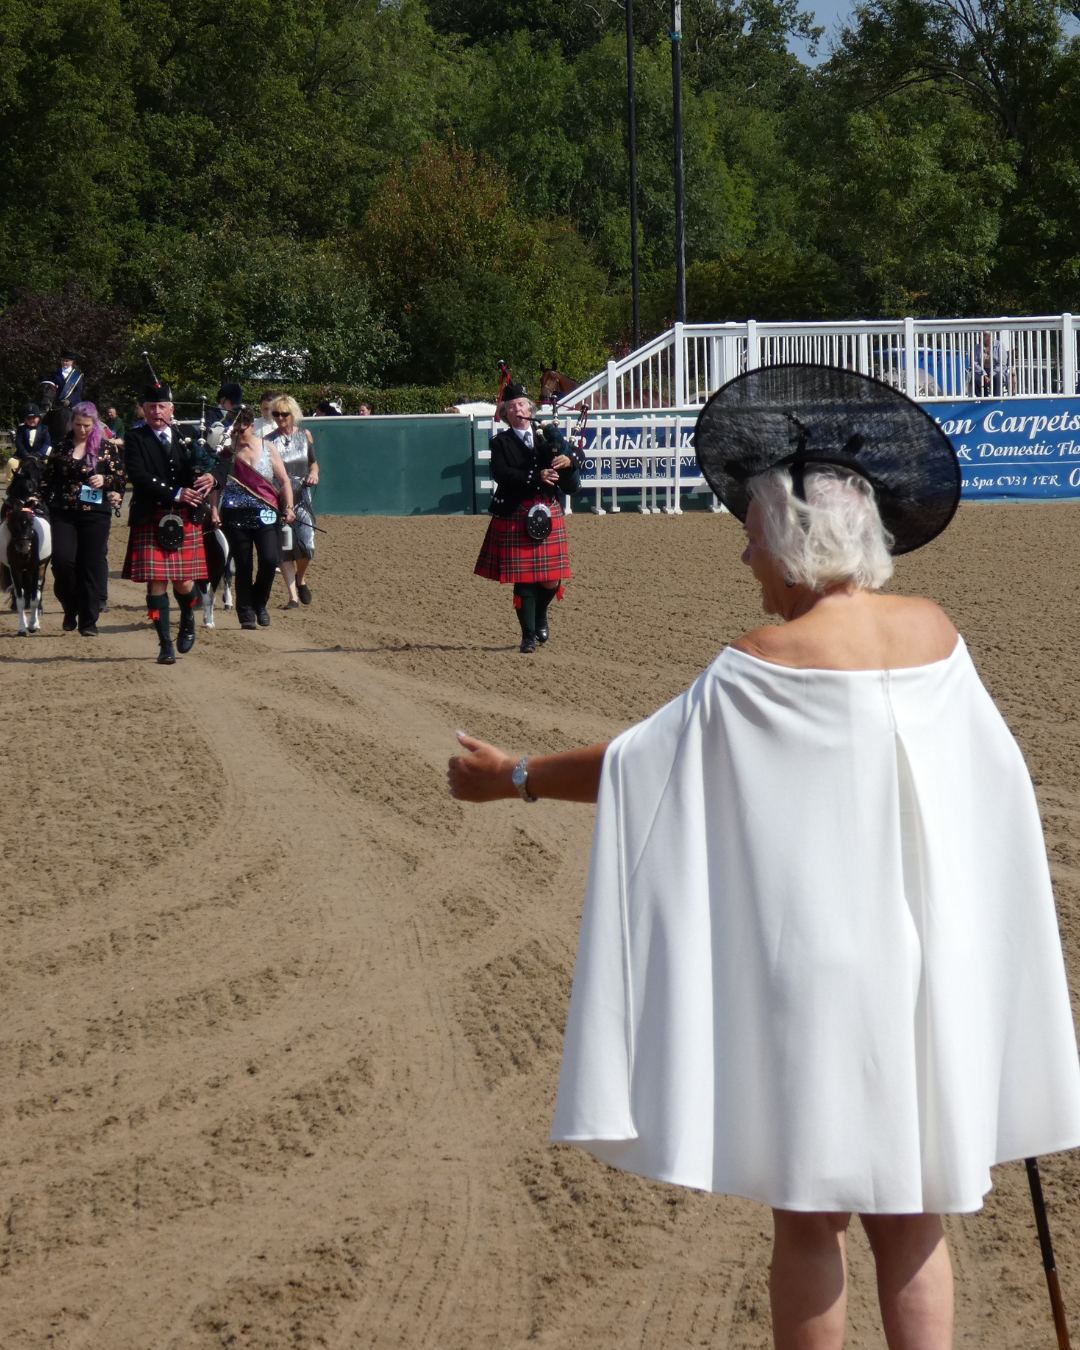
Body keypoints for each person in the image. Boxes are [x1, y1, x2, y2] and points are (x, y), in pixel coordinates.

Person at [447, 365, 1080, 1350]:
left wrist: (515, 775)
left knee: (809, 1212)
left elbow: (637, 770)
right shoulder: (936, 635)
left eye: (751, 529)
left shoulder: (761, 664)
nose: (744, 552)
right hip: (923, 962)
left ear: (789, 538)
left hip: (815, 975)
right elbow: (995, 788)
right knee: (912, 1214)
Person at [122, 372, 227, 664]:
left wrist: (211, 478)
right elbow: (139, 476)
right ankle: (164, 643)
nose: (157, 411)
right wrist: (177, 493)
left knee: (183, 582)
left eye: (162, 406)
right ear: (143, 409)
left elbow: (221, 463)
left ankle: (188, 617)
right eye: (151, 406)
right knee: (157, 582)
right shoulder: (135, 438)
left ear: (172, 409)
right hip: (152, 515)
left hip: (185, 517)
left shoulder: (187, 436)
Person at [473, 382, 582, 653]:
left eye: (521, 404)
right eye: (511, 407)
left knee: (550, 579)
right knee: (524, 578)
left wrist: (569, 461)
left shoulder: (546, 434)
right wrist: (536, 476)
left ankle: (541, 613)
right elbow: (501, 473)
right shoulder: (500, 442)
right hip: (516, 511)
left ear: (530, 408)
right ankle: (528, 636)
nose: (517, 409)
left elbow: (576, 454)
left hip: (548, 508)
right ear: (505, 415)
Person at [39, 402, 125, 636]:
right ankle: (70, 606)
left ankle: (89, 621)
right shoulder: (61, 446)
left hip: (96, 514)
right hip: (63, 512)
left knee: (90, 566)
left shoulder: (106, 448)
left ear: (94, 424)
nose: (82, 429)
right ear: (72, 422)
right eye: (77, 424)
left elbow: (120, 478)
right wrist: (35, 501)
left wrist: (105, 481)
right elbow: (47, 479)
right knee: (62, 562)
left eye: (86, 425)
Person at [210, 406, 295, 629]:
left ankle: (260, 603)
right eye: (234, 431)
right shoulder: (226, 453)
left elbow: (284, 480)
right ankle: (246, 613)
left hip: (266, 514)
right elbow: (216, 484)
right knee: (243, 565)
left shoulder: (269, 448)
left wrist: (289, 506)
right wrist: (214, 511)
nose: (238, 435)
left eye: (242, 430)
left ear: (253, 426)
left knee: (269, 560)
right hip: (235, 515)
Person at [263, 395, 318, 607]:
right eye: (275, 414)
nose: (279, 418)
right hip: (278, 499)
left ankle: (300, 578)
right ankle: (292, 596)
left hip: (302, 496)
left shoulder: (305, 435)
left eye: (284, 414)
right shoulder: (267, 441)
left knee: (307, 546)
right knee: (284, 548)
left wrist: (314, 474)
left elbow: (313, 463)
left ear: (292, 414)